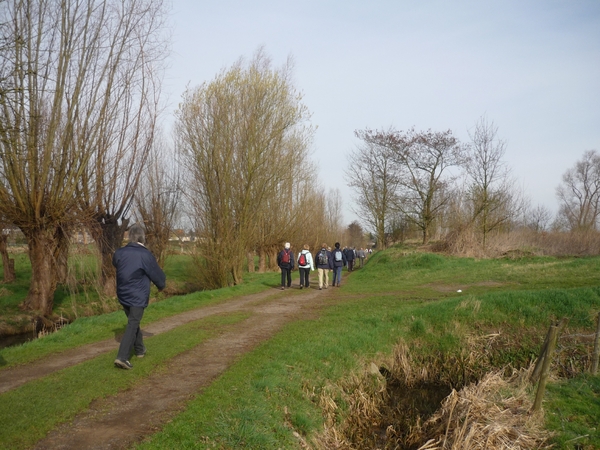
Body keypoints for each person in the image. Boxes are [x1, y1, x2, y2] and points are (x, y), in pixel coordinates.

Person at [113, 224, 166, 370]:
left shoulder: (119, 253)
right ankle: (122, 357)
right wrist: (161, 286)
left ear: (130, 237)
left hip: (122, 294)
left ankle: (140, 350)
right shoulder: (145, 255)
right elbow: (156, 274)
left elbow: (116, 264)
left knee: (133, 321)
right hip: (137, 295)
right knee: (133, 323)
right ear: (142, 237)